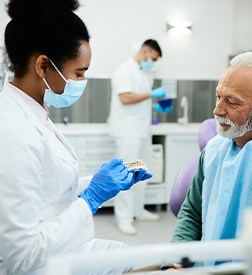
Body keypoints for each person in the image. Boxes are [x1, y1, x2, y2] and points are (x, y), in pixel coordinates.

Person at [0, 0, 152, 274]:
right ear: (43, 66)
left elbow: (46, 189)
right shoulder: (13, 131)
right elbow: (20, 256)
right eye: (78, 73)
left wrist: (97, 183)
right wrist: (92, 197)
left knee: (133, 259)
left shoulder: (30, 111)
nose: (82, 82)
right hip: (34, 266)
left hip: (56, 247)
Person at [172, 52, 252, 265]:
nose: (217, 110)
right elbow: (192, 213)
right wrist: (176, 262)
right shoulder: (213, 150)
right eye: (219, 96)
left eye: (232, 102)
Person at [108, 39, 166, 235]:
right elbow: (125, 98)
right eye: (154, 59)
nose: (154, 63)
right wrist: (151, 94)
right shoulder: (124, 70)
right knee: (127, 173)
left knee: (142, 172)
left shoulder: (141, 71)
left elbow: (139, 98)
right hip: (127, 131)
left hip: (141, 130)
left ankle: (137, 210)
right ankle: (123, 218)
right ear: (146, 51)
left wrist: (154, 105)